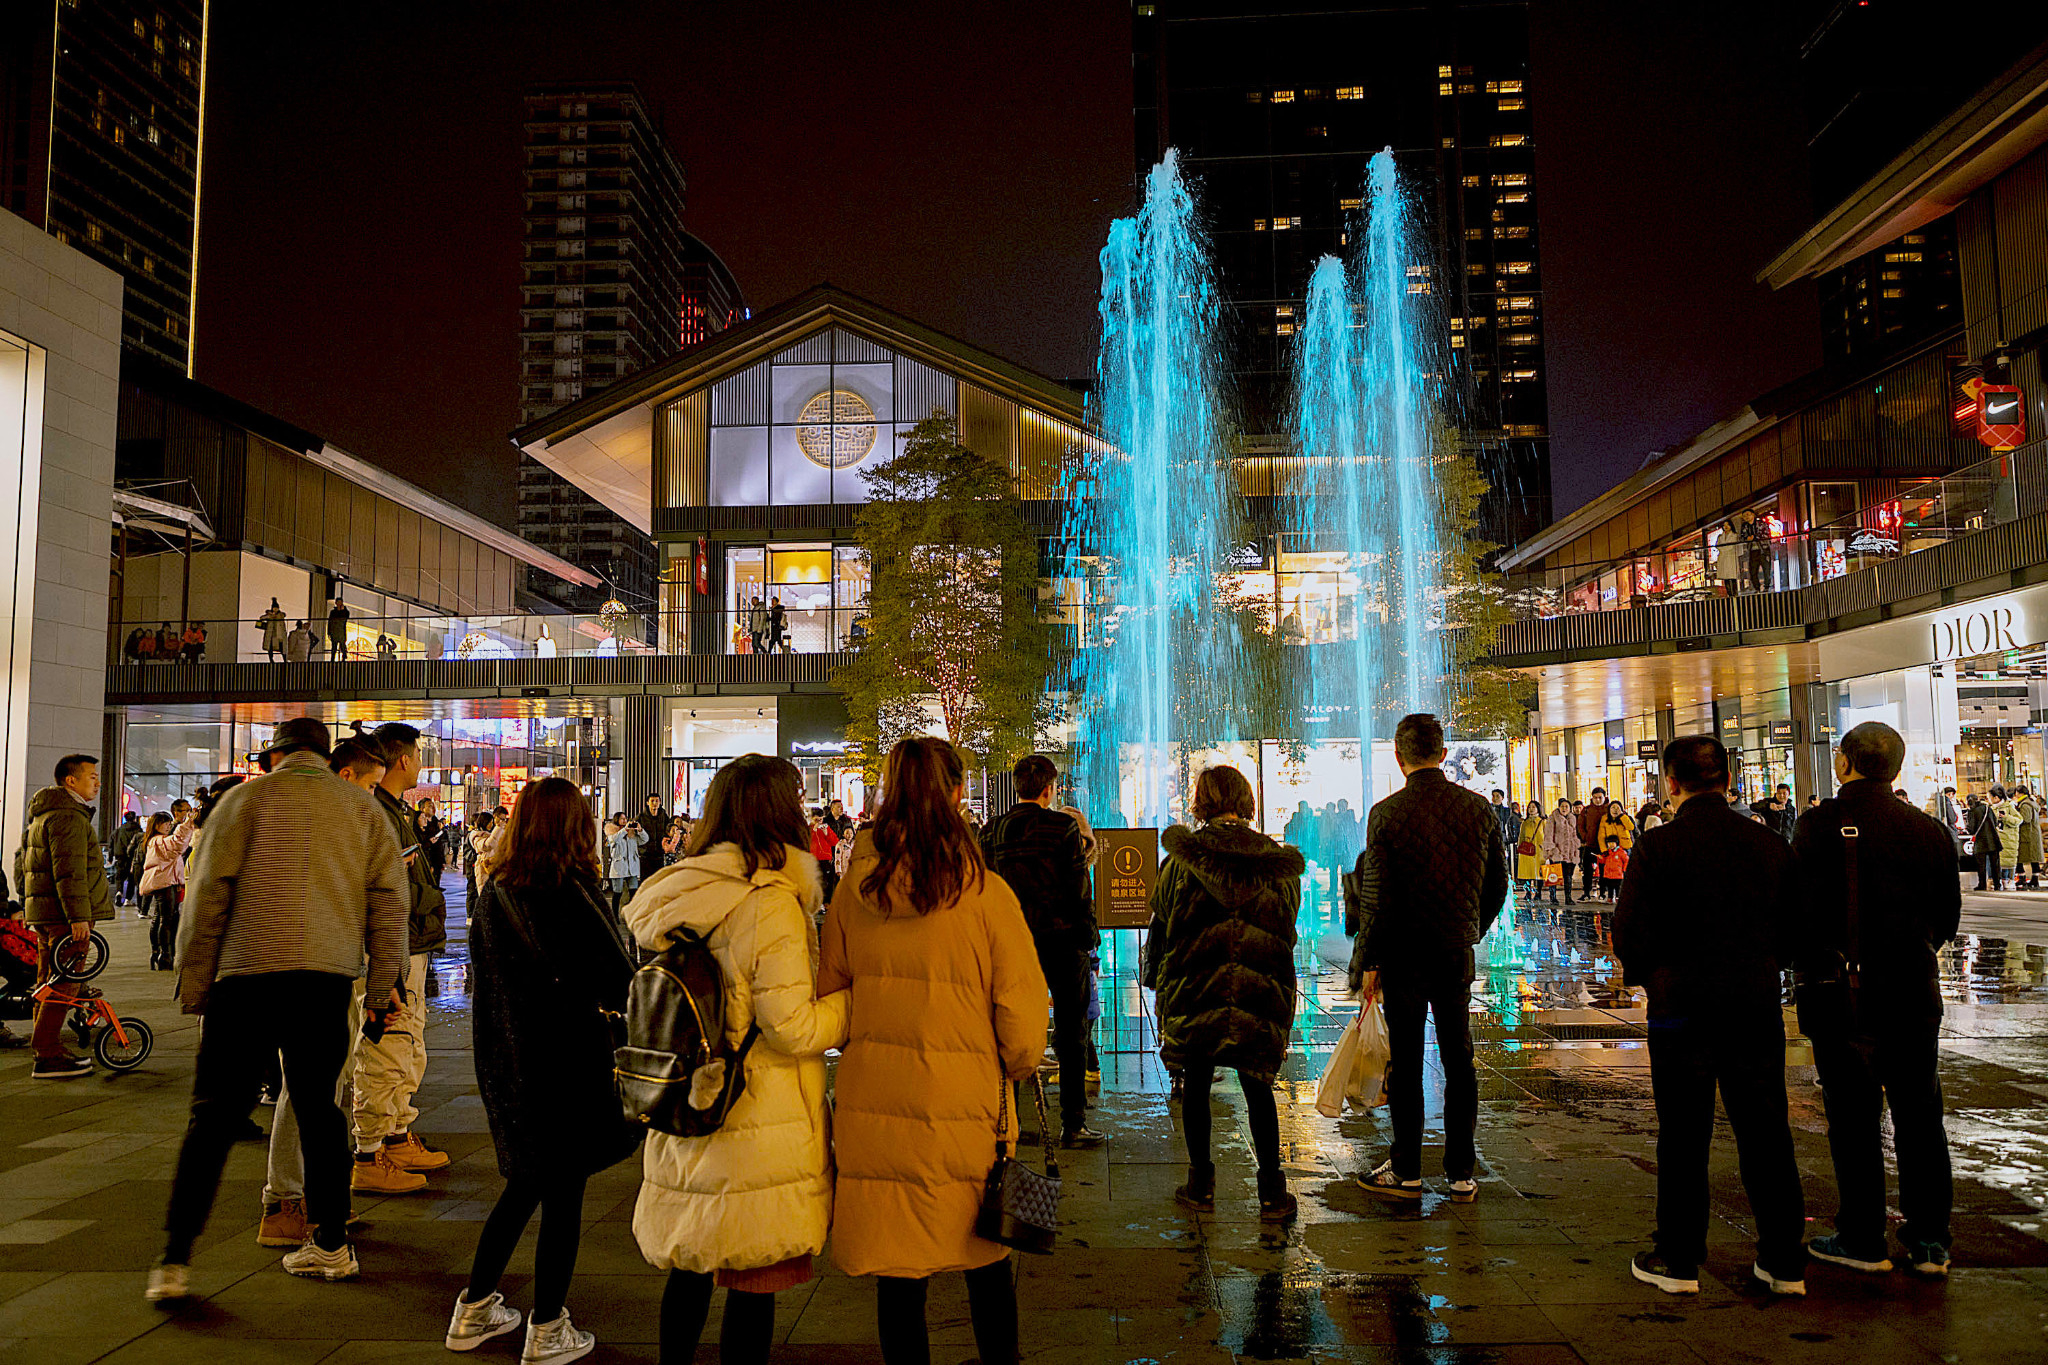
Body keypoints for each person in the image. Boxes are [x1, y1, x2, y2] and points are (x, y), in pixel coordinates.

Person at [151, 718, 408, 1300]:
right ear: (324, 757)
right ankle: (332, 1243)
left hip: (245, 978)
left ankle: (175, 1258)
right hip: (323, 978)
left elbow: (207, 895)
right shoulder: (365, 812)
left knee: (213, 1117)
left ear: (278, 756)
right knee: (319, 1109)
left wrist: (196, 986)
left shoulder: (242, 802)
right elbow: (389, 905)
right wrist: (382, 987)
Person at [820, 736, 1048, 1365]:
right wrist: (1015, 1063)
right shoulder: (988, 895)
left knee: (899, 1278)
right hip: (969, 1109)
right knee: (987, 1261)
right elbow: (1025, 1028)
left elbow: (830, 996)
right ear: (955, 795)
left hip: (876, 1108)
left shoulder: (854, 893)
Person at [626, 755, 852, 1365]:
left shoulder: (677, 894)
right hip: (756, 1113)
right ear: (777, 811)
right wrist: (849, 1006)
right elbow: (792, 1027)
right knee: (755, 1276)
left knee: (691, 1263)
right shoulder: (769, 902)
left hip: (686, 1098)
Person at [447, 777, 638, 1361]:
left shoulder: (498, 888)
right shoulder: (569, 890)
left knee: (527, 1181)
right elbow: (617, 978)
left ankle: (475, 1308)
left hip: (507, 1058)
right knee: (563, 1192)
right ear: (573, 826)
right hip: (567, 1060)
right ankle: (549, 1327)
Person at [1612, 734, 1806, 1297]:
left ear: (1671, 784)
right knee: (1767, 1127)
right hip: (1752, 1005)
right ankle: (1783, 1259)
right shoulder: (1770, 845)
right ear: (1729, 779)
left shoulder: (1659, 847)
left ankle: (1677, 1257)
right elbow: (1797, 932)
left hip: (1679, 1010)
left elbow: (1630, 934)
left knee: (1682, 1128)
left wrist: (1656, 976)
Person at [1792, 721, 1961, 1279]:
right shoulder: (1928, 830)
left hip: (1840, 993)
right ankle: (1930, 1239)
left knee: (1853, 1116)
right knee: (1919, 1113)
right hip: (1912, 991)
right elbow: (1946, 919)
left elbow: (1799, 915)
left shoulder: (1816, 827)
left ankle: (1864, 1235)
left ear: (1844, 763)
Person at [1349, 714, 1507, 1201]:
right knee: (1460, 1060)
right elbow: (1498, 884)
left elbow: (1376, 898)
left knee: (1408, 1061)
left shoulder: (1386, 814)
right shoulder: (1479, 810)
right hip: (1453, 952)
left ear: (1399, 757)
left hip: (1403, 955)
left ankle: (1408, 1167)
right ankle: (1462, 1171)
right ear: (1443, 754)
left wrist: (1367, 962)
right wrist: (1470, 928)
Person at [1145, 765, 1304, 1220]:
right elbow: (1287, 926)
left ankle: (1200, 1185)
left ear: (1203, 802)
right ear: (1246, 801)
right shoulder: (1276, 863)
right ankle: (1273, 1193)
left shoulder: (1180, 862)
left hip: (1198, 987)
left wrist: (1159, 984)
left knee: (1195, 1085)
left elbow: (1163, 926)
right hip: (1260, 987)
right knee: (1258, 1087)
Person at [257, 736, 389, 1250]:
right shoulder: (311, 819)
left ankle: (313, 1201)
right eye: (372, 785)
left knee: (323, 1088)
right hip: (305, 971)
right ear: (347, 775)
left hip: (330, 966)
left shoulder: (340, 820)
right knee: (307, 1091)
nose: (375, 797)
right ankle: (286, 1201)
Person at [980, 753, 1103, 1147]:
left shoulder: (991, 830)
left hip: (1010, 941)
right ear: (1049, 790)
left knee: (1007, 1026)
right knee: (1071, 1029)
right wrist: (1087, 935)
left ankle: (1009, 1119)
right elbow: (1077, 886)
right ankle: (1073, 1122)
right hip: (1062, 940)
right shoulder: (1062, 826)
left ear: (1018, 787)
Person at [350, 722, 450, 1194]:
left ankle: (395, 1133)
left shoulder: (393, 810)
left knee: (406, 1043)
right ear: (404, 759)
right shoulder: (379, 812)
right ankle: (370, 1151)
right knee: (386, 1046)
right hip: (391, 946)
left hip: (409, 942)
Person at [15, 755, 113, 1080]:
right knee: (64, 984)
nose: (97, 782)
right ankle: (48, 1053)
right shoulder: (69, 818)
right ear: (71, 781)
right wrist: (79, 918)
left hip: (45, 915)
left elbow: (21, 866)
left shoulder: (40, 816)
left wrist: (31, 907)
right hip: (65, 917)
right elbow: (70, 874)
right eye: (92, 776)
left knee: (46, 982)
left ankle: (45, 1045)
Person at [138, 809, 196, 971]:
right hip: (165, 883)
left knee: (160, 918)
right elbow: (178, 843)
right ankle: (165, 955)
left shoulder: (153, 840)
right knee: (167, 919)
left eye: (169, 823)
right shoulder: (159, 841)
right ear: (156, 824)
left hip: (163, 882)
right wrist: (188, 824)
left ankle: (157, 953)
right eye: (166, 823)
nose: (168, 826)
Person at [1541, 796, 1580, 905]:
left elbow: (1575, 834)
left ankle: (1568, 897)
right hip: (1557, 851)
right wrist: (1551, 849)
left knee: (1568, 876)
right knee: (1554, 875)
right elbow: (1548, 834)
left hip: (1570, 852)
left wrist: (1576, 847)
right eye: (1562, 806)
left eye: (1566, 806)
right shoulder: (1553, 818)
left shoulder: (1572, 818)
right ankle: (1553, 897)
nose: (1564, 808)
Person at [606, 814, 646, 912]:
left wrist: (640, 830)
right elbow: (614, 839)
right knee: (617, 892)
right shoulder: (612, 832)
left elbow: (645, 839)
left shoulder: (632, 834)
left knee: (634, 891)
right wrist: (624, 830)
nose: (624, 821)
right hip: (619, 866)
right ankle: (615, 916)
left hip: (632, 866)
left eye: (625, 819)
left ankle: (632, 914)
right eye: (622, 819)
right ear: (617, 820)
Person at [1965, 791, 2002, 891]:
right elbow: (1995, 822)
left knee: (1981, 865)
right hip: (1993, 839)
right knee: (1995, 864)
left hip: (1981, 841)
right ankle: (1998, 884)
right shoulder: (1987, 808)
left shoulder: (1972, 811)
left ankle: (1982, 884)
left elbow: (1971, 828)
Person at [1576, 788, 1607, 897]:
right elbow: (1580, 825)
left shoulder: (1608, 809)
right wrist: (1585, 837)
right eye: (1595, 797)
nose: (1598, 800)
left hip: (1604, 845)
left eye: (1600, 797)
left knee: (1604, 870)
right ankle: (1586, 893)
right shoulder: (1586, 810)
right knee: (1587, 870)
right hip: (1590, 844)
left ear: (1604, 797)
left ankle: (1603, 892)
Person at [109, 811, 143, 906]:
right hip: (132, 857)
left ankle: (119, 892)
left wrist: (111, 856)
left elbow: (111, 843)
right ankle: (128, 899)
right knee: (131, 879)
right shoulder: (138, 830)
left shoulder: (118, 830)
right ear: (135, 818)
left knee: (119, 877)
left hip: (120, 856)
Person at [1993, 785, 2023, 891]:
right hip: (1999, 839)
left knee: (2009, 860)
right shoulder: (1992, 808)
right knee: (2002, 861)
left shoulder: (2009, 806)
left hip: (2009, 838)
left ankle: (2009, 880)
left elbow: (2019, 820)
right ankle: (2003, 880)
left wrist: (2006, 818)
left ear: (1997, 797)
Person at [1514, 800, 1544, 899]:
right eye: (1530, 807)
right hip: (1526, 851)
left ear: (1538, 809)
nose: (1531, 809)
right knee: (1526, 873)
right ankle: (1527, 893)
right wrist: (1519, 849)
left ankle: (1538, 893)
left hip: (1539, 851)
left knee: (1539, 873)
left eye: (1533, 807)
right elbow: (1521, 836)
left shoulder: (1542, 822)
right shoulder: (1525, 823)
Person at [2017, 785, 2044, 891]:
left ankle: (2023, 878)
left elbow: (2025, 819)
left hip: (2027, 835)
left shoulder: (2025, 805)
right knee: (2034, 858)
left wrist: (2016, 817)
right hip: (2032, 834)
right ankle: (2034, 879)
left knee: (2020, 857)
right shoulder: (2032, 803)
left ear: (2020, 793)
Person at [1599, 836, 1629, 900]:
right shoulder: (1607, 853)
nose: (1611, 845)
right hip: (1608, 874)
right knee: (1610, 887)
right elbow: (1603, 861)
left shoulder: (1621, 852)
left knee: (1618, 887)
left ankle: (1617, 897)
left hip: (1618, 874)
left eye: (1613, 843)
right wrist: (1600, 858)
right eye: (1609, 843)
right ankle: (1610, 897)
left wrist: (1624, 869)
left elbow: (1626, 861)